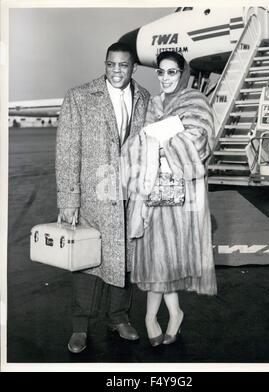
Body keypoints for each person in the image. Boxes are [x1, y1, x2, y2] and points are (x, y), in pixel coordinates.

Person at [56, 42, 150, 353]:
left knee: (124, 262)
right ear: (105, 64)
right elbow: (67, 154)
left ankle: (118, 318)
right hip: (93, 199)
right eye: (111, 65)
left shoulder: (145, 99)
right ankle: (79, 327)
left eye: (123, 65)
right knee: (86, 263)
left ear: (133, 67)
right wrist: (69, 201)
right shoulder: (80, 97)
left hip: (129, 196)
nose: (117, 71)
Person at [122, 51, 217, 347]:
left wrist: (159, 142)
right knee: (155, 260)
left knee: (169, 261)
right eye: (161, 73)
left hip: (181, 198)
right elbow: (135, 144)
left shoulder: (195, 101)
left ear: (182, 73)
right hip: (151, 195)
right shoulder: (152, 104)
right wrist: (159, 139)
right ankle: (168, 314)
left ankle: (162, 316)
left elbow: (200, 141)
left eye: (171, 72)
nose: (165, 78)